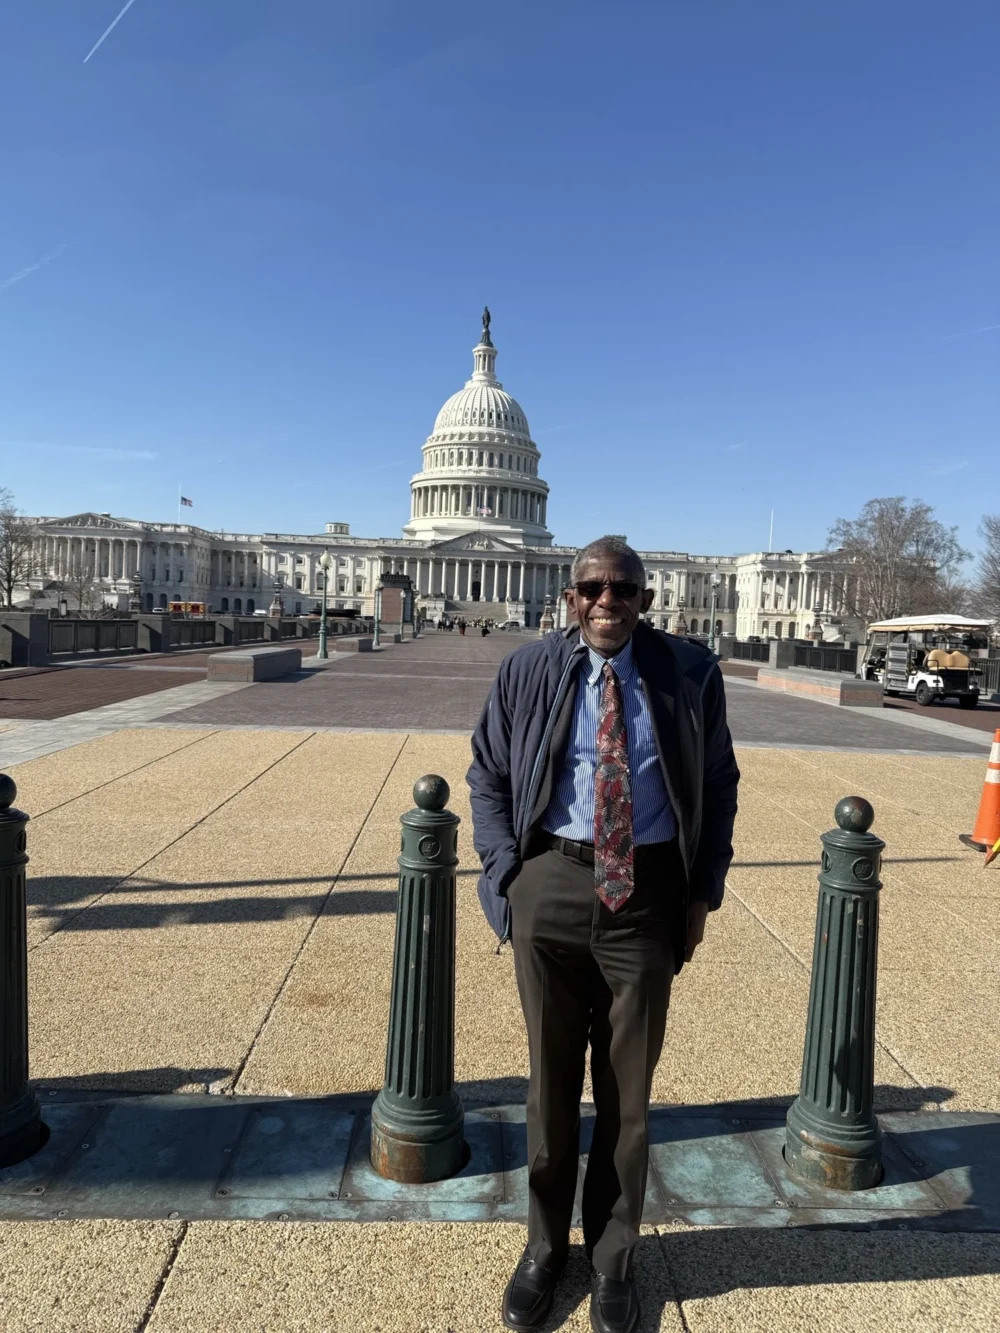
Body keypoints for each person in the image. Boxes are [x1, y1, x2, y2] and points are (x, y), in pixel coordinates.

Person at [467, 535, 739, 1333]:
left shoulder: (689, 672)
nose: (606, 601)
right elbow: (488, 772)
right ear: (571, 595)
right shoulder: (527, 669)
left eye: (623, 588)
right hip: (550, 879)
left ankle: (615, 1256)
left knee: (628, 1095)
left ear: (646, 599)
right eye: (592, 588)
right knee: (548, 1087)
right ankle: (545, 1248)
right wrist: (506, 876)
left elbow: (719, 781)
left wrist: (703, 891)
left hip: (646, 892)